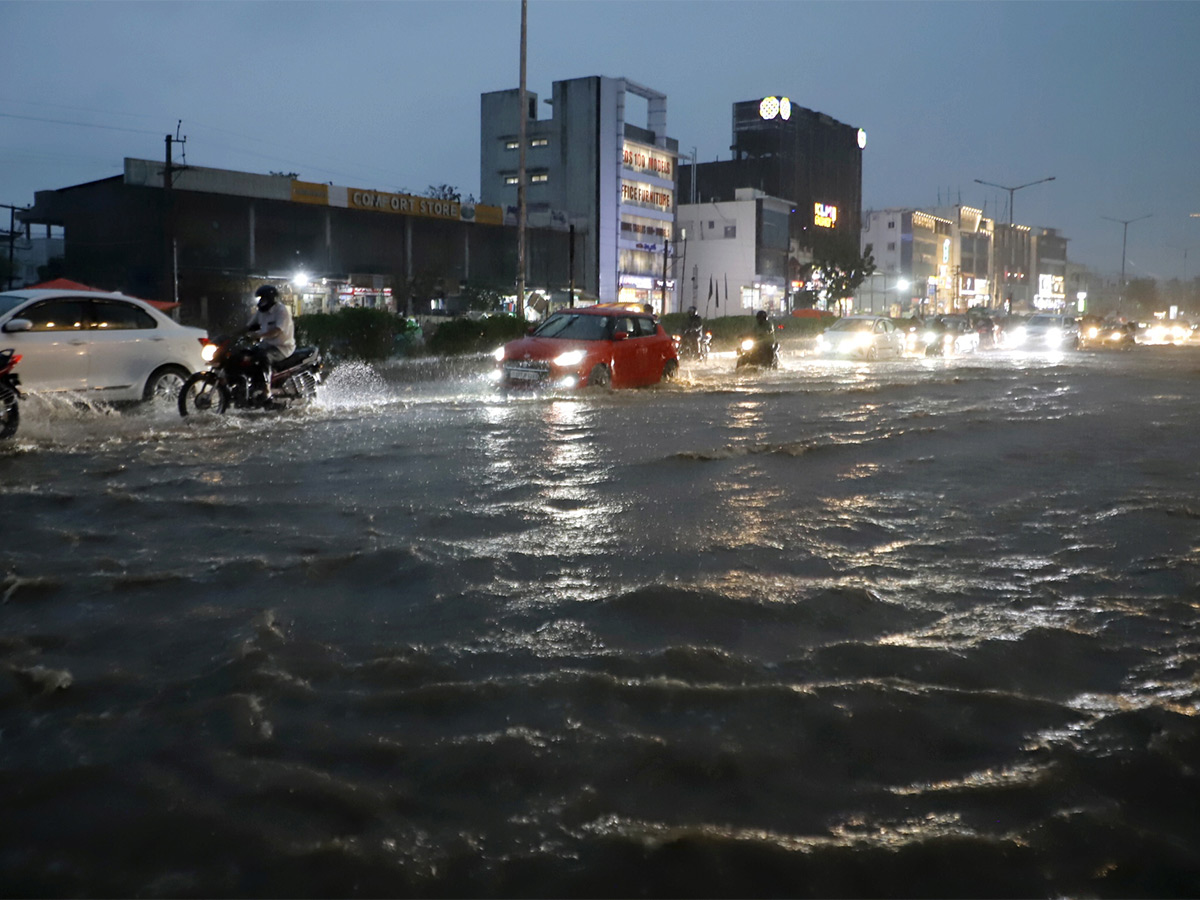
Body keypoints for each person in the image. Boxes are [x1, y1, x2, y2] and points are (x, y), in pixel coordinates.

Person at [246, 285, 295, 402]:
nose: (261, 301)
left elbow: (277, 331)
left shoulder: (281, 311)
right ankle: (251, 385)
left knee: (264, 357)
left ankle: (266, 389)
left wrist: (259, 335)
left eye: (263, 298)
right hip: (266, 345)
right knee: (246, 354)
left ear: (271, 298)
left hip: (282, 348)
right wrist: (231, 336)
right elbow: (248, 327)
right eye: (260, 299)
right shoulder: (261, 312)